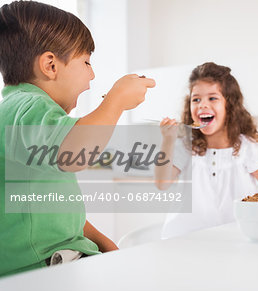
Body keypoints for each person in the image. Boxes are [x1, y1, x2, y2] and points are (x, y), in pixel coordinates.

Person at [0, 1, 155, 276]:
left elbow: (53, 208)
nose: (92, 74)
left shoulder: (26, 115)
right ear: (50, 65)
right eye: (86, 62)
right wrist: (116, 100)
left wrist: (102, 240)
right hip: (41, 273)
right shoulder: (24, 106)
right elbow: (76, 151)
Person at [155, 62, 258, 238]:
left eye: (212, 98)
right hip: (185, 237)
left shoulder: (246, 146)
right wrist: (167, 141)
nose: (202, 105)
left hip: (234, 236)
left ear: (230, 105)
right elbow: (162, 183)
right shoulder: (184, 145)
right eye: (196, 99)